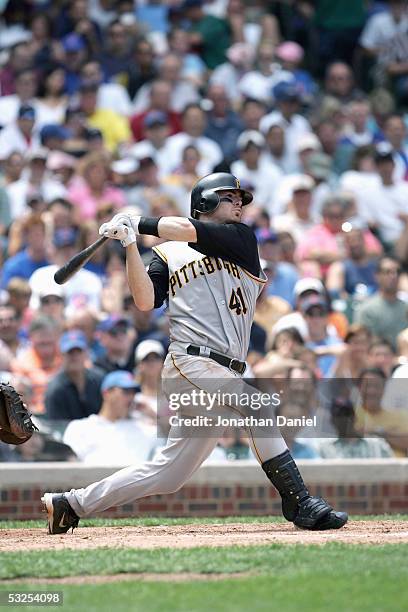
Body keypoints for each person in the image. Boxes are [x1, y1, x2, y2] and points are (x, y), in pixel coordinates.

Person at [42, 172, 347, 534]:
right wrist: (129, 245)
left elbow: (189, 232)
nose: (239, 203)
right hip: (191, 362)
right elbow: (145, 301)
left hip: (227, 370)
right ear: (204, 202)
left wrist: (139, 222)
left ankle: (70, 504)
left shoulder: (240, 238)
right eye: (229, 197)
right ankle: (300, 502)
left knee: (170, 473)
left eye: (239, 198)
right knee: (258, 405)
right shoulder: (165, 253)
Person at [62, 370, 157, 465]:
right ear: (106, 393)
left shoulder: (144, 429)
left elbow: (169, 441)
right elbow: (68, 465)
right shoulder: (80, 428)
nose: (131, 397)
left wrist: (154, 415)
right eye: (126, 392)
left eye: (134, 393)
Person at [45, 330, 104, 422]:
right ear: (61, 356)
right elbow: (56, 427)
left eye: (78, 352)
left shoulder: (99, 380)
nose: (74, 357)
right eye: (70, 353)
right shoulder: (55, 389)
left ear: (86, 354)